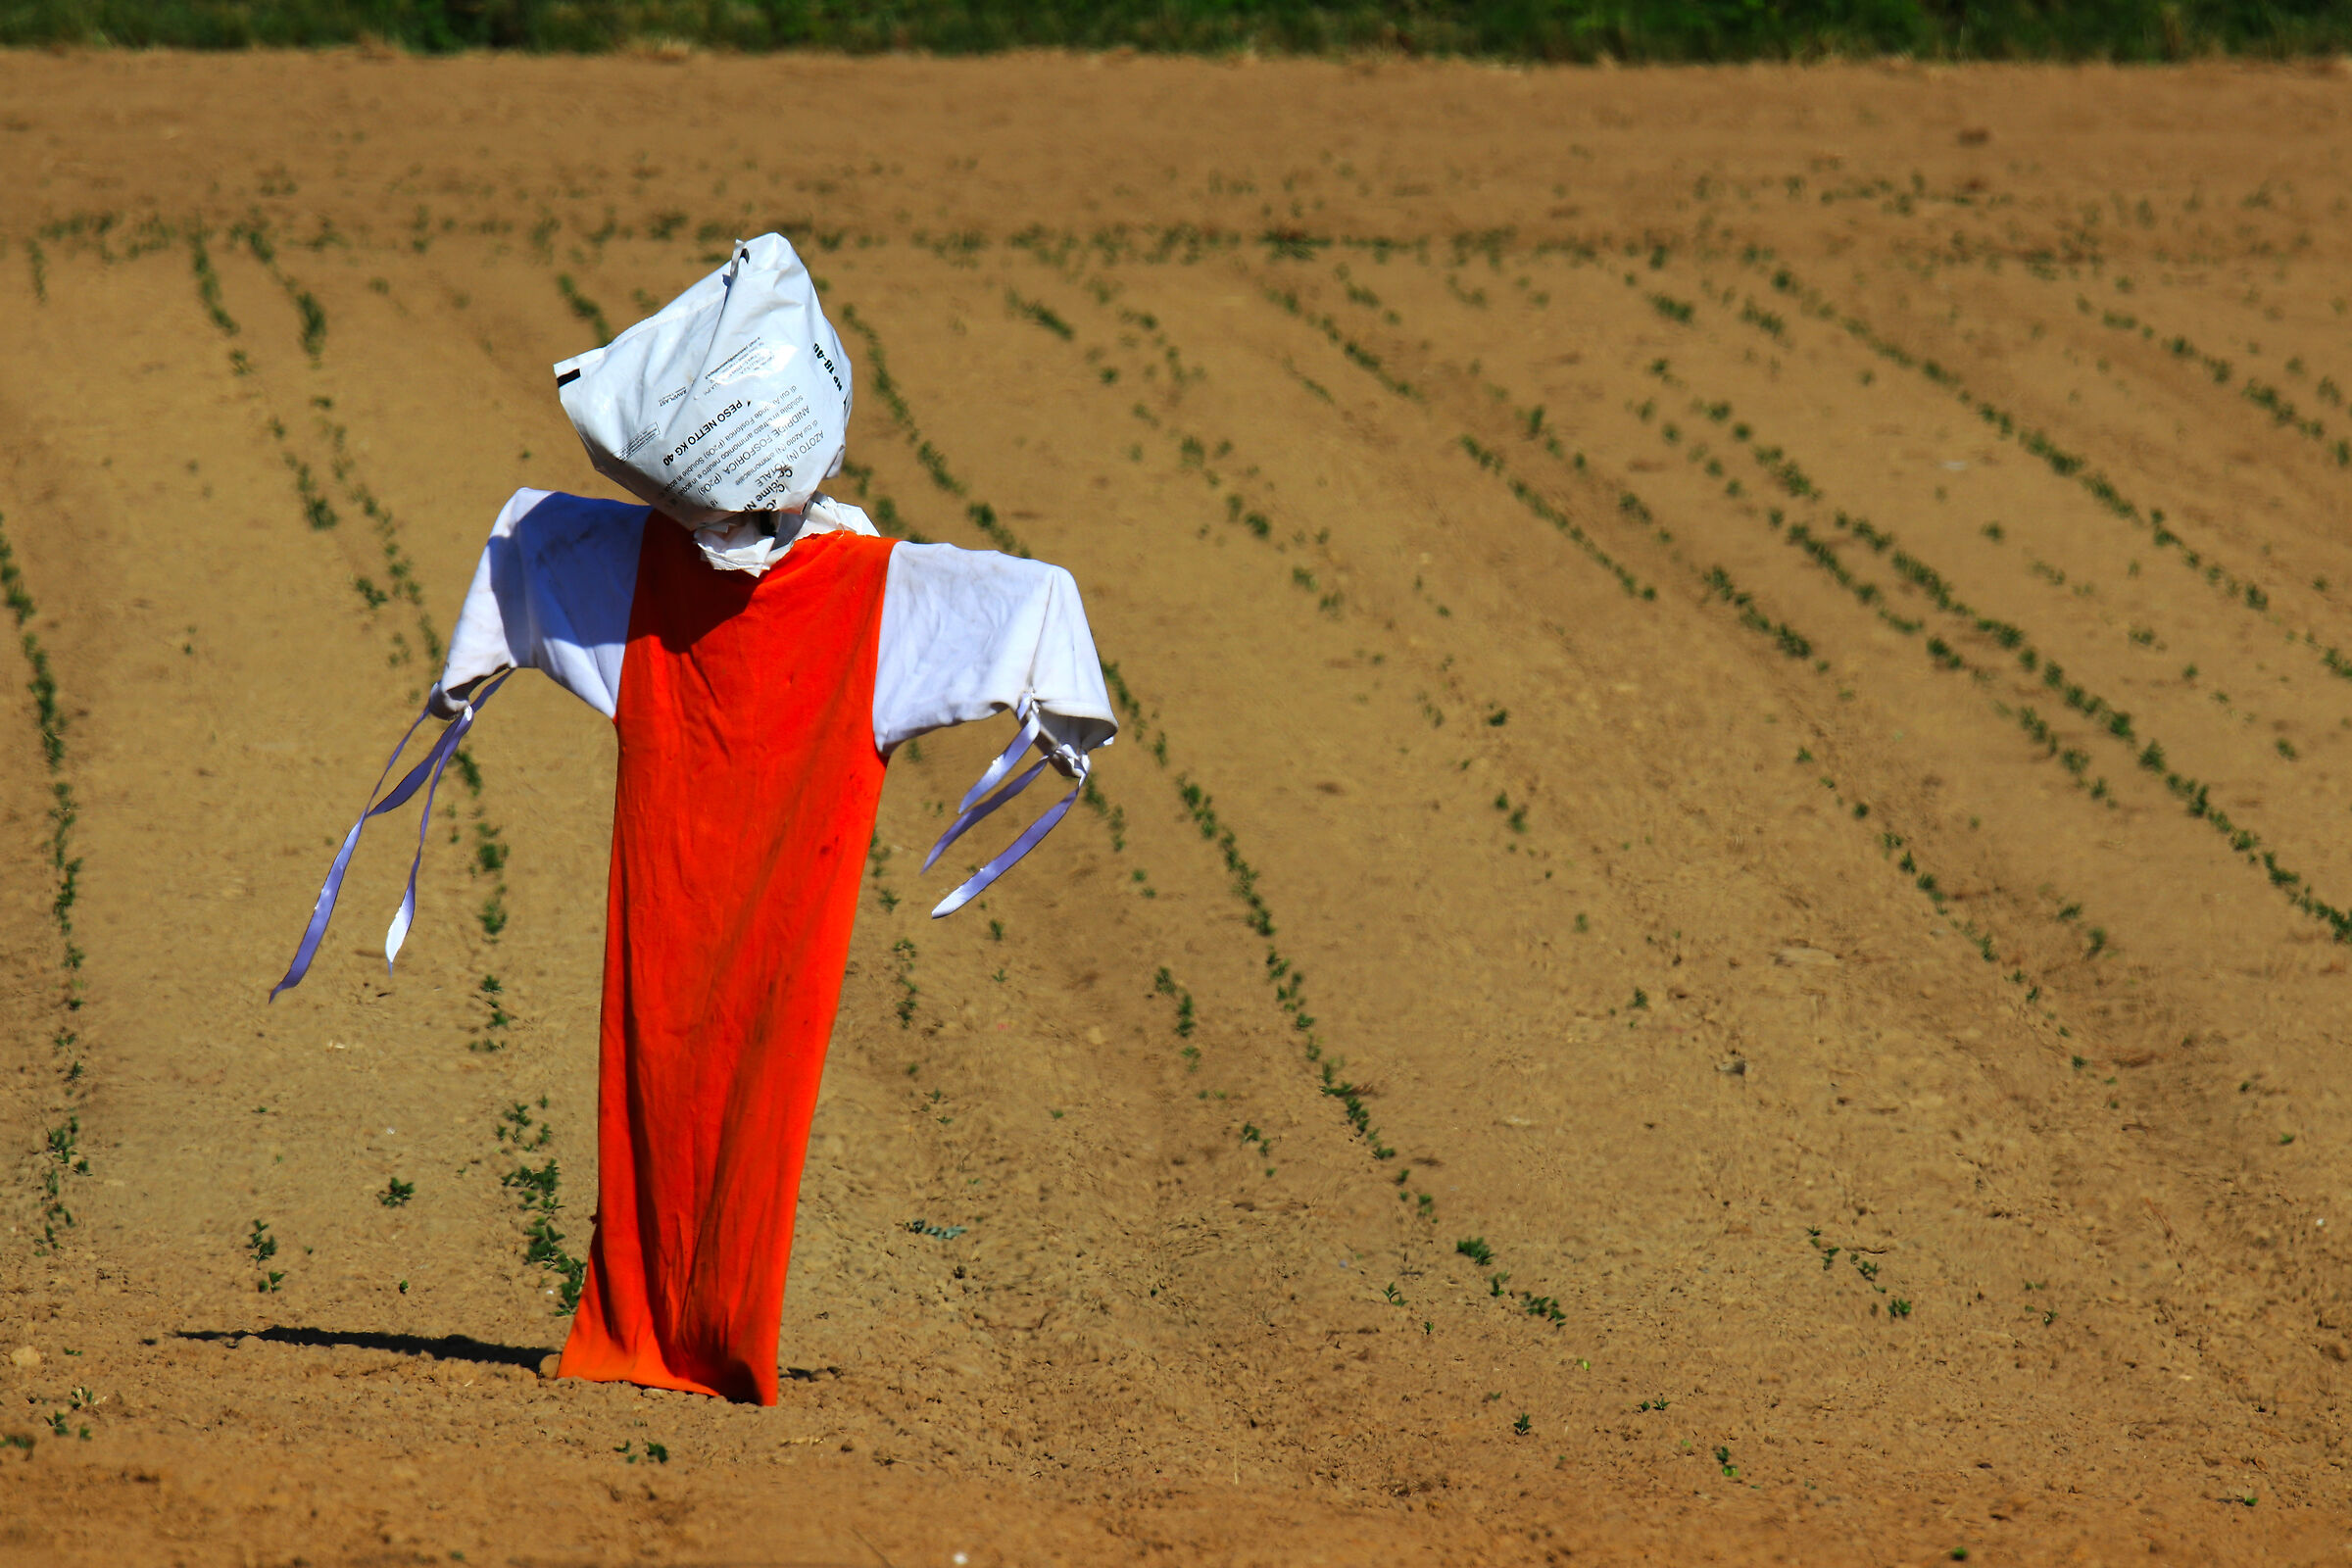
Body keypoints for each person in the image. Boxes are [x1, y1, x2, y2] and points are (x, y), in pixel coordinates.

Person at [274, 237, 1115, 1403]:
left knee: (700, 1077)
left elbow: (530, 542)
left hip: (697, 867)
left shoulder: (721, 582)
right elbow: (1031, 601)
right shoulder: (860, 592)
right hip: (709, 868)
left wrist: (472, 668)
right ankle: (679, 1327)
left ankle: (670, 1326)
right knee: (695, 1078)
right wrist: (1059, 703)